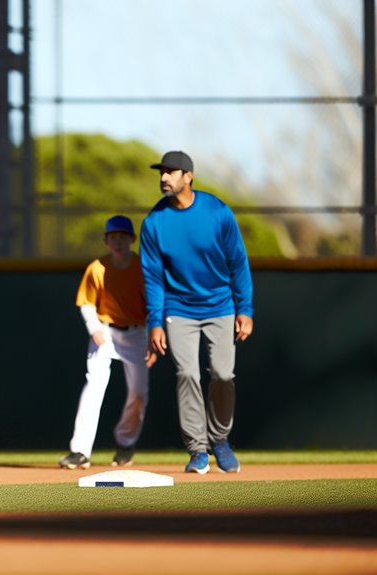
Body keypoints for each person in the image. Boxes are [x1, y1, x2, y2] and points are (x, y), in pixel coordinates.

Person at [141, 151, 254, 474]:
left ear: (188, 176)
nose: (164, 178)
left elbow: (238, 263)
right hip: (179, 309)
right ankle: (197, 449)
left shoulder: (217, 212)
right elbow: (152, 276)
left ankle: (219, 440)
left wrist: (244, 308)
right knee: (187, 374)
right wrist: (155, 322)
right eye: (161, 172)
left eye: (171, 172)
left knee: (222, 374)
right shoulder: (154, 222)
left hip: (220, 305)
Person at [58, 215, 150, 470]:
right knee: (93, 388)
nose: (118, 242)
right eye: (113, 237)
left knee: (139, 393)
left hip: (136, 333)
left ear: (132, 239)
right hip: (105, 332)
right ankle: (79, 451)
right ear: (106, 240)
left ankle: (125, 442)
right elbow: (86, 302)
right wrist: (94, 327)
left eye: (123, 237)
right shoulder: (96, 267)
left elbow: (153, 305)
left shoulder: (142, 267)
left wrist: (155, 333)